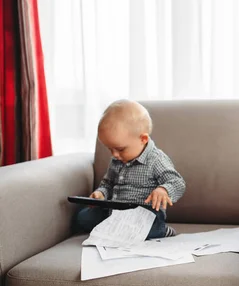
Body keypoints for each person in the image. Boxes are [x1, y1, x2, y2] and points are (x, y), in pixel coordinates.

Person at [73, 99, 186, 239]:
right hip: (114, 211)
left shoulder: (156, 159)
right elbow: (108, 184)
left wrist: (163, 189)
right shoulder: (117, 159)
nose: (114, 155)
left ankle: (162, 230)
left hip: (143, 214)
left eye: (120, 149)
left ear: (143, 139)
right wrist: (101, 194)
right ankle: (115, 227)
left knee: (148, 229)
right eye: (110, 149)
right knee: (83, 218)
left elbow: (177, 182)